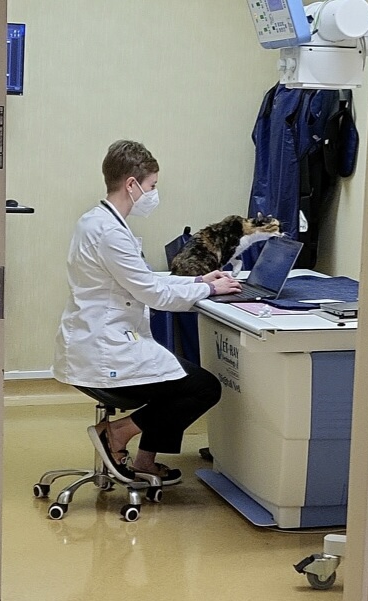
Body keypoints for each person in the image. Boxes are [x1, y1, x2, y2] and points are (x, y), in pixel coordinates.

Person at [52, 139, 242, 485]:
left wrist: (198, 279)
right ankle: (118, 433)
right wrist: (210, 289)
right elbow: (153, 294)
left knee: (177, 376)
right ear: (132, 184)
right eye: (152, 186)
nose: (153, 194)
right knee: (202, 387)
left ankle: (144, 461)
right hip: (105, 350)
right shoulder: (110, 232)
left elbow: (141, 280)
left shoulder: (96, 221)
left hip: (97, 339)